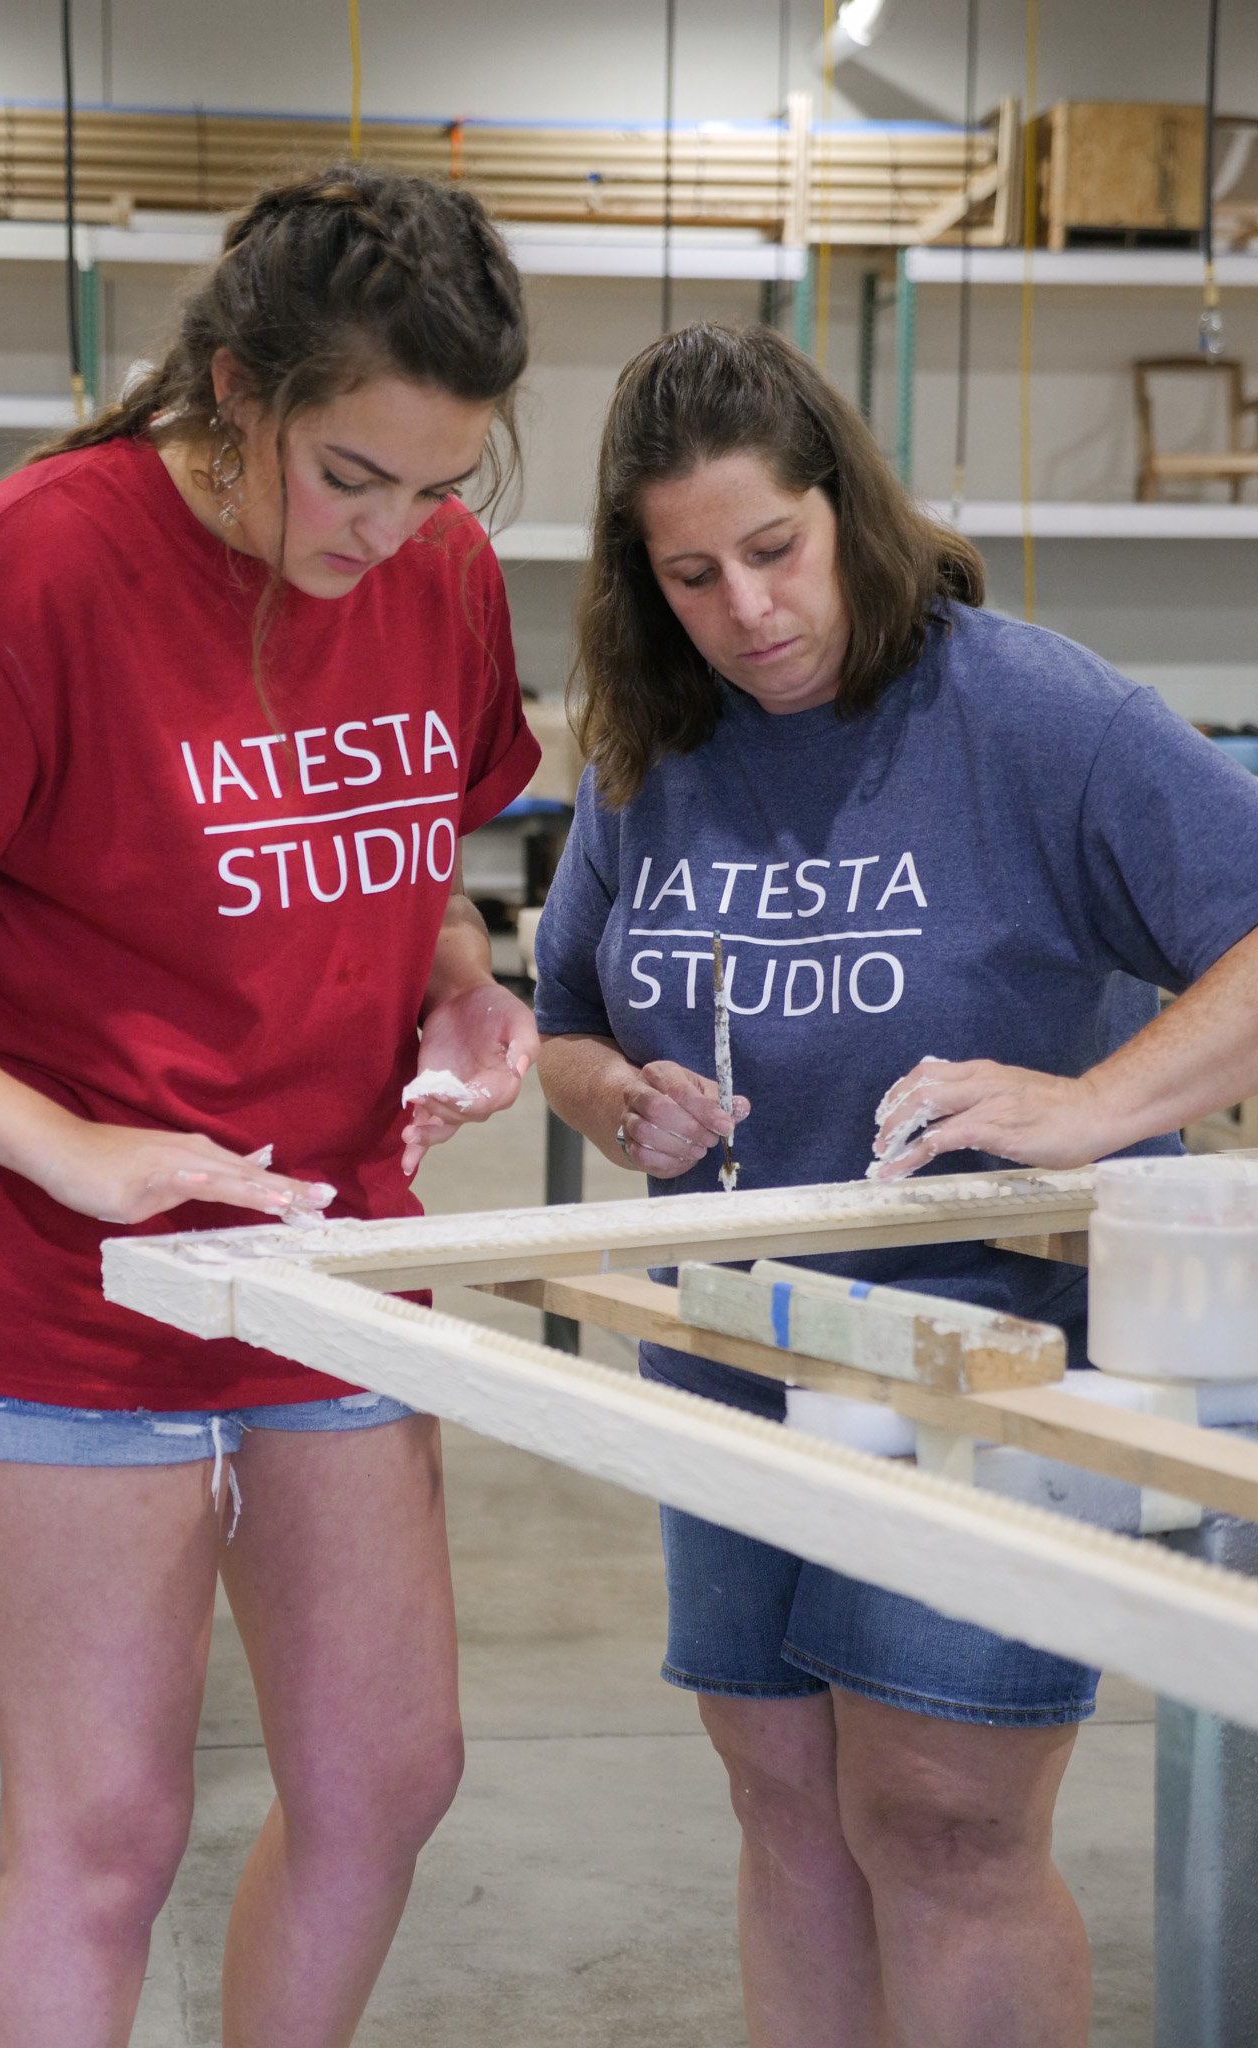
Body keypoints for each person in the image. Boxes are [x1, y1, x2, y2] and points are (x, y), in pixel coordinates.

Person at [0, 168, 541, 2048]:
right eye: (350, 475)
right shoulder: (41, 566)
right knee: (104, 1832)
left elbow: (408, 839)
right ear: (233, 388)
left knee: (384, 1777)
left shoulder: (438, 571)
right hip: (53, 1295)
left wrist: (458, 977)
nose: (391, 532)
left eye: (440, 487)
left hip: (319, 1251)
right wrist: (62, 1144)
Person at [534, 320, 1258, 2048]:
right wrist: (619, 1099)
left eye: (775, 551)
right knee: (785, 1805)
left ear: (845, 509)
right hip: (726, 1362)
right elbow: (564, 1016)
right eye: (693, 575)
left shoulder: (1030, 712)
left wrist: (1097, 1102)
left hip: (988, 1370)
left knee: (942, 1823)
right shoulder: (655, 742)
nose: (750, 611)